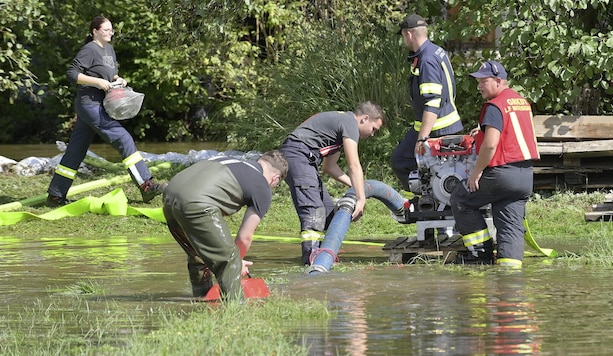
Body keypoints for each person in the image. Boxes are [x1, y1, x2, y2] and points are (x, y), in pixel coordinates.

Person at [46, 16, 164, 207]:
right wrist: (98, 82)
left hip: (101, 104)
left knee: (75, 151)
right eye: (106, 30)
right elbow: (72, 73)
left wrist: (119, 79)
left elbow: (109, 74)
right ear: (95, 31)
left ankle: (55, 195)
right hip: (89, 104)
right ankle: (146, 185)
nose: (111, 33)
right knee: (123, 138)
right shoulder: (89, 49)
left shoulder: (109, 49)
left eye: (112, 30)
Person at [162, 150, 288, 300]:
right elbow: (244, 237)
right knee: (230, 260)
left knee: (198, 254)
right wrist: (237, 263)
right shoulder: (262, 187)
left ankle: (203, 298)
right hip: (197, 203)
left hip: (169, 197)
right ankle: (236, 309)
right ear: (275, 179)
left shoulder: (229, 160)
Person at [450, 60, 540, 267]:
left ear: (499, 81)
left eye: (484, 81)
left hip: (501, 174)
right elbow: (511, 132)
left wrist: (476, 173)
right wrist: (481, 131)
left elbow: (491, 145)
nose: (479, 86)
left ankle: (480, 255)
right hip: (525, 176)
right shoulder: (521, 101)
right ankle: (510, 278)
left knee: (461, 199)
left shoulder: (494, 105)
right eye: (478, 82)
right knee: (509, 222)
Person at [279, 102, 385, 265]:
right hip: (297, 155)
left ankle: (322, 253)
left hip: (304, 158)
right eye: (373, 129)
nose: (372, 134)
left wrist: (357, 187)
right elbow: (353, 165)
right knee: (314, 210)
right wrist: (361, 197)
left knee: (329, 215)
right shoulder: (350, 123)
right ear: (365, 119)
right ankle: (313, 259)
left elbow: (330, 167)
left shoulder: (339, 127)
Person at [391, 14, 463, 191]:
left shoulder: (427, 60)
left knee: (401, 160)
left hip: (436, 128)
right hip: (445, 125)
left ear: (409, 34)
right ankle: (434, 196)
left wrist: (422, 139)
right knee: (434, 168)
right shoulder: (435, 51)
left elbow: (432, 101)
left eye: (402, 36)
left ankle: (426, 198)